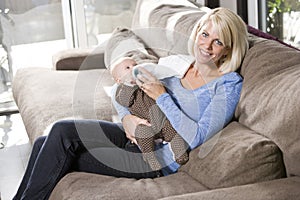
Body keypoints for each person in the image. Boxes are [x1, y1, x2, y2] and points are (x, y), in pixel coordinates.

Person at [13, 7, 248, 200]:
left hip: (156, 158)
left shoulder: (227, 85)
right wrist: (127, 119)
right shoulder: (179, 63)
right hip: (134, 135)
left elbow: (196, 137)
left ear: (228, 48)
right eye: (204, 35)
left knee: (59, 152)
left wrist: (161, 96)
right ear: (197, 34)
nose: (206, 46)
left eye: (217, 42)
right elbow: (123, 87)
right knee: (54, 134)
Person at [110, 54, 194, 170]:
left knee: (173, 132)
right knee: (143, 134)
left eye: (135, 65)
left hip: (162, 120)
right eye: (127, 68)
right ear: (119, 80)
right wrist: (129, 84)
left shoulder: (147, 80)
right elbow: (125, 101)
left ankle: (180, 153)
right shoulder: (121, 91)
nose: (133, 68)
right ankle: (150, 158)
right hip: (146, 124)